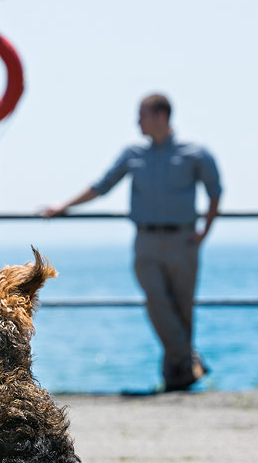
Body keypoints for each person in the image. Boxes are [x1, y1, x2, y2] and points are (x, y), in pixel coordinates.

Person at [43, 93, 222, 391]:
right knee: (156, 302)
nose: (137, 121)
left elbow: (215, 191)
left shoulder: (195, 152)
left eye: (142, 115)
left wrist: (204, 232)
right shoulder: (133, 153)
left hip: (183, 239)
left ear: (161, 116)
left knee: (182, 309)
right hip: (146, 241)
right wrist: (64, 206)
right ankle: (189, 359)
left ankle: (178, 378)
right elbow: (102, 186)